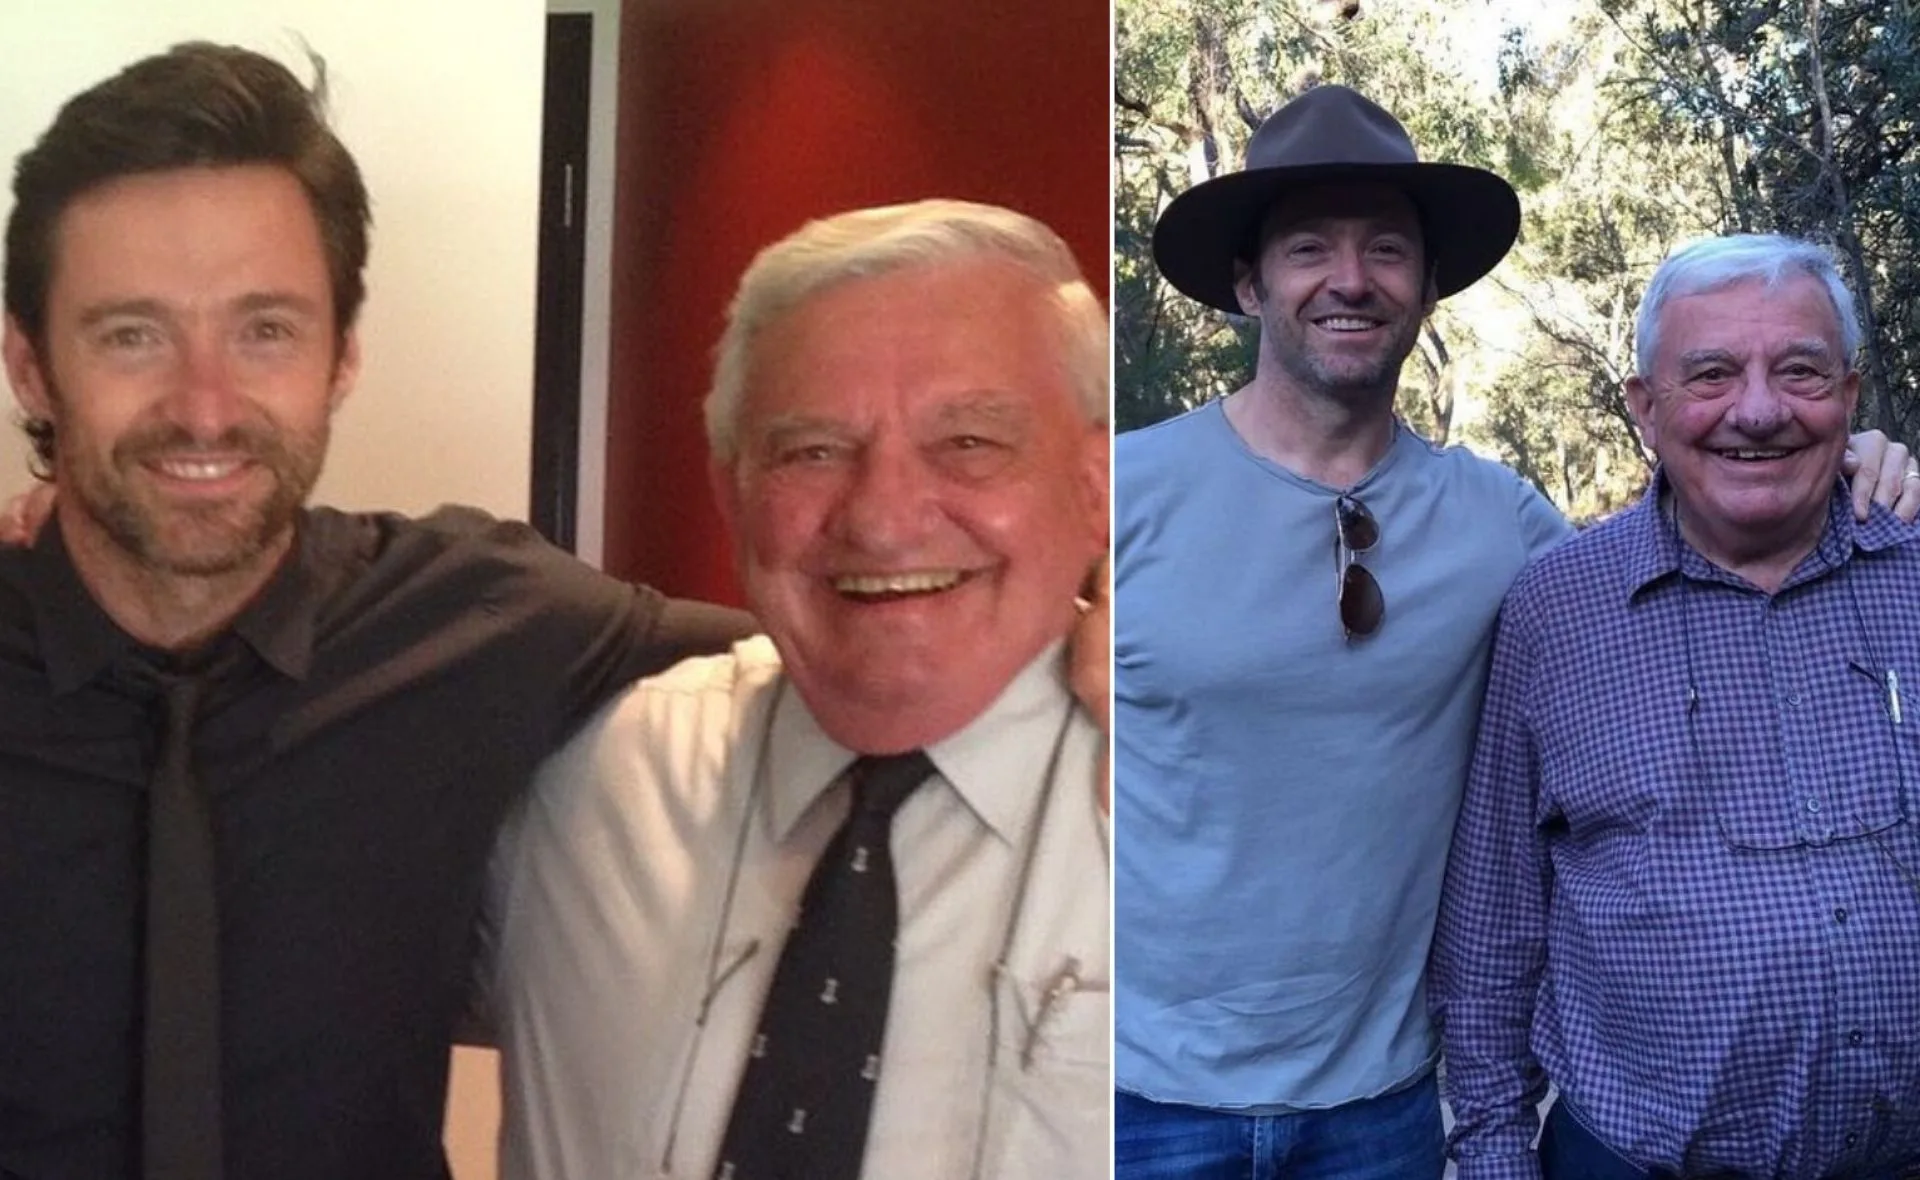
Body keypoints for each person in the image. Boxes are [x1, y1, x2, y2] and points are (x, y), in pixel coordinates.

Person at [1112, 83, 1920, 1178]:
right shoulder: (1117, 495)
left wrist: (1860, 470)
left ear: (1428, 287)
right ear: (1250, 282)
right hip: (1136, 1094)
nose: (1351, 279)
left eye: (1388, 250)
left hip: (1383, 1108)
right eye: (1309, 248)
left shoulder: (1511, 534)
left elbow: (1693, 521)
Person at [0, 42, 764, 1180]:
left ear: (342, 356)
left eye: (267, 329)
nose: (206, 406)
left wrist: (1080, 628)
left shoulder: (476, 615)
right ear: (31, 366)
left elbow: (816, 647)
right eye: (132, 334)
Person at [476, 199, 1111, 1180]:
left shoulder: (1216, 801)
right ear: (732, 492)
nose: (885, 518)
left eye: (970, 443)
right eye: (813, 451)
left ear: (1099, 484)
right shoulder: (580, 773)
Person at [1431, 234, 1920, 1179]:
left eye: (1802, 372)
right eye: (1711, 374)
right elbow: (1493, 929)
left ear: (1851, 400)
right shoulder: (1555, 610)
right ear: (1644, 408)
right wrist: (1493, 1155)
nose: (1761, 409)